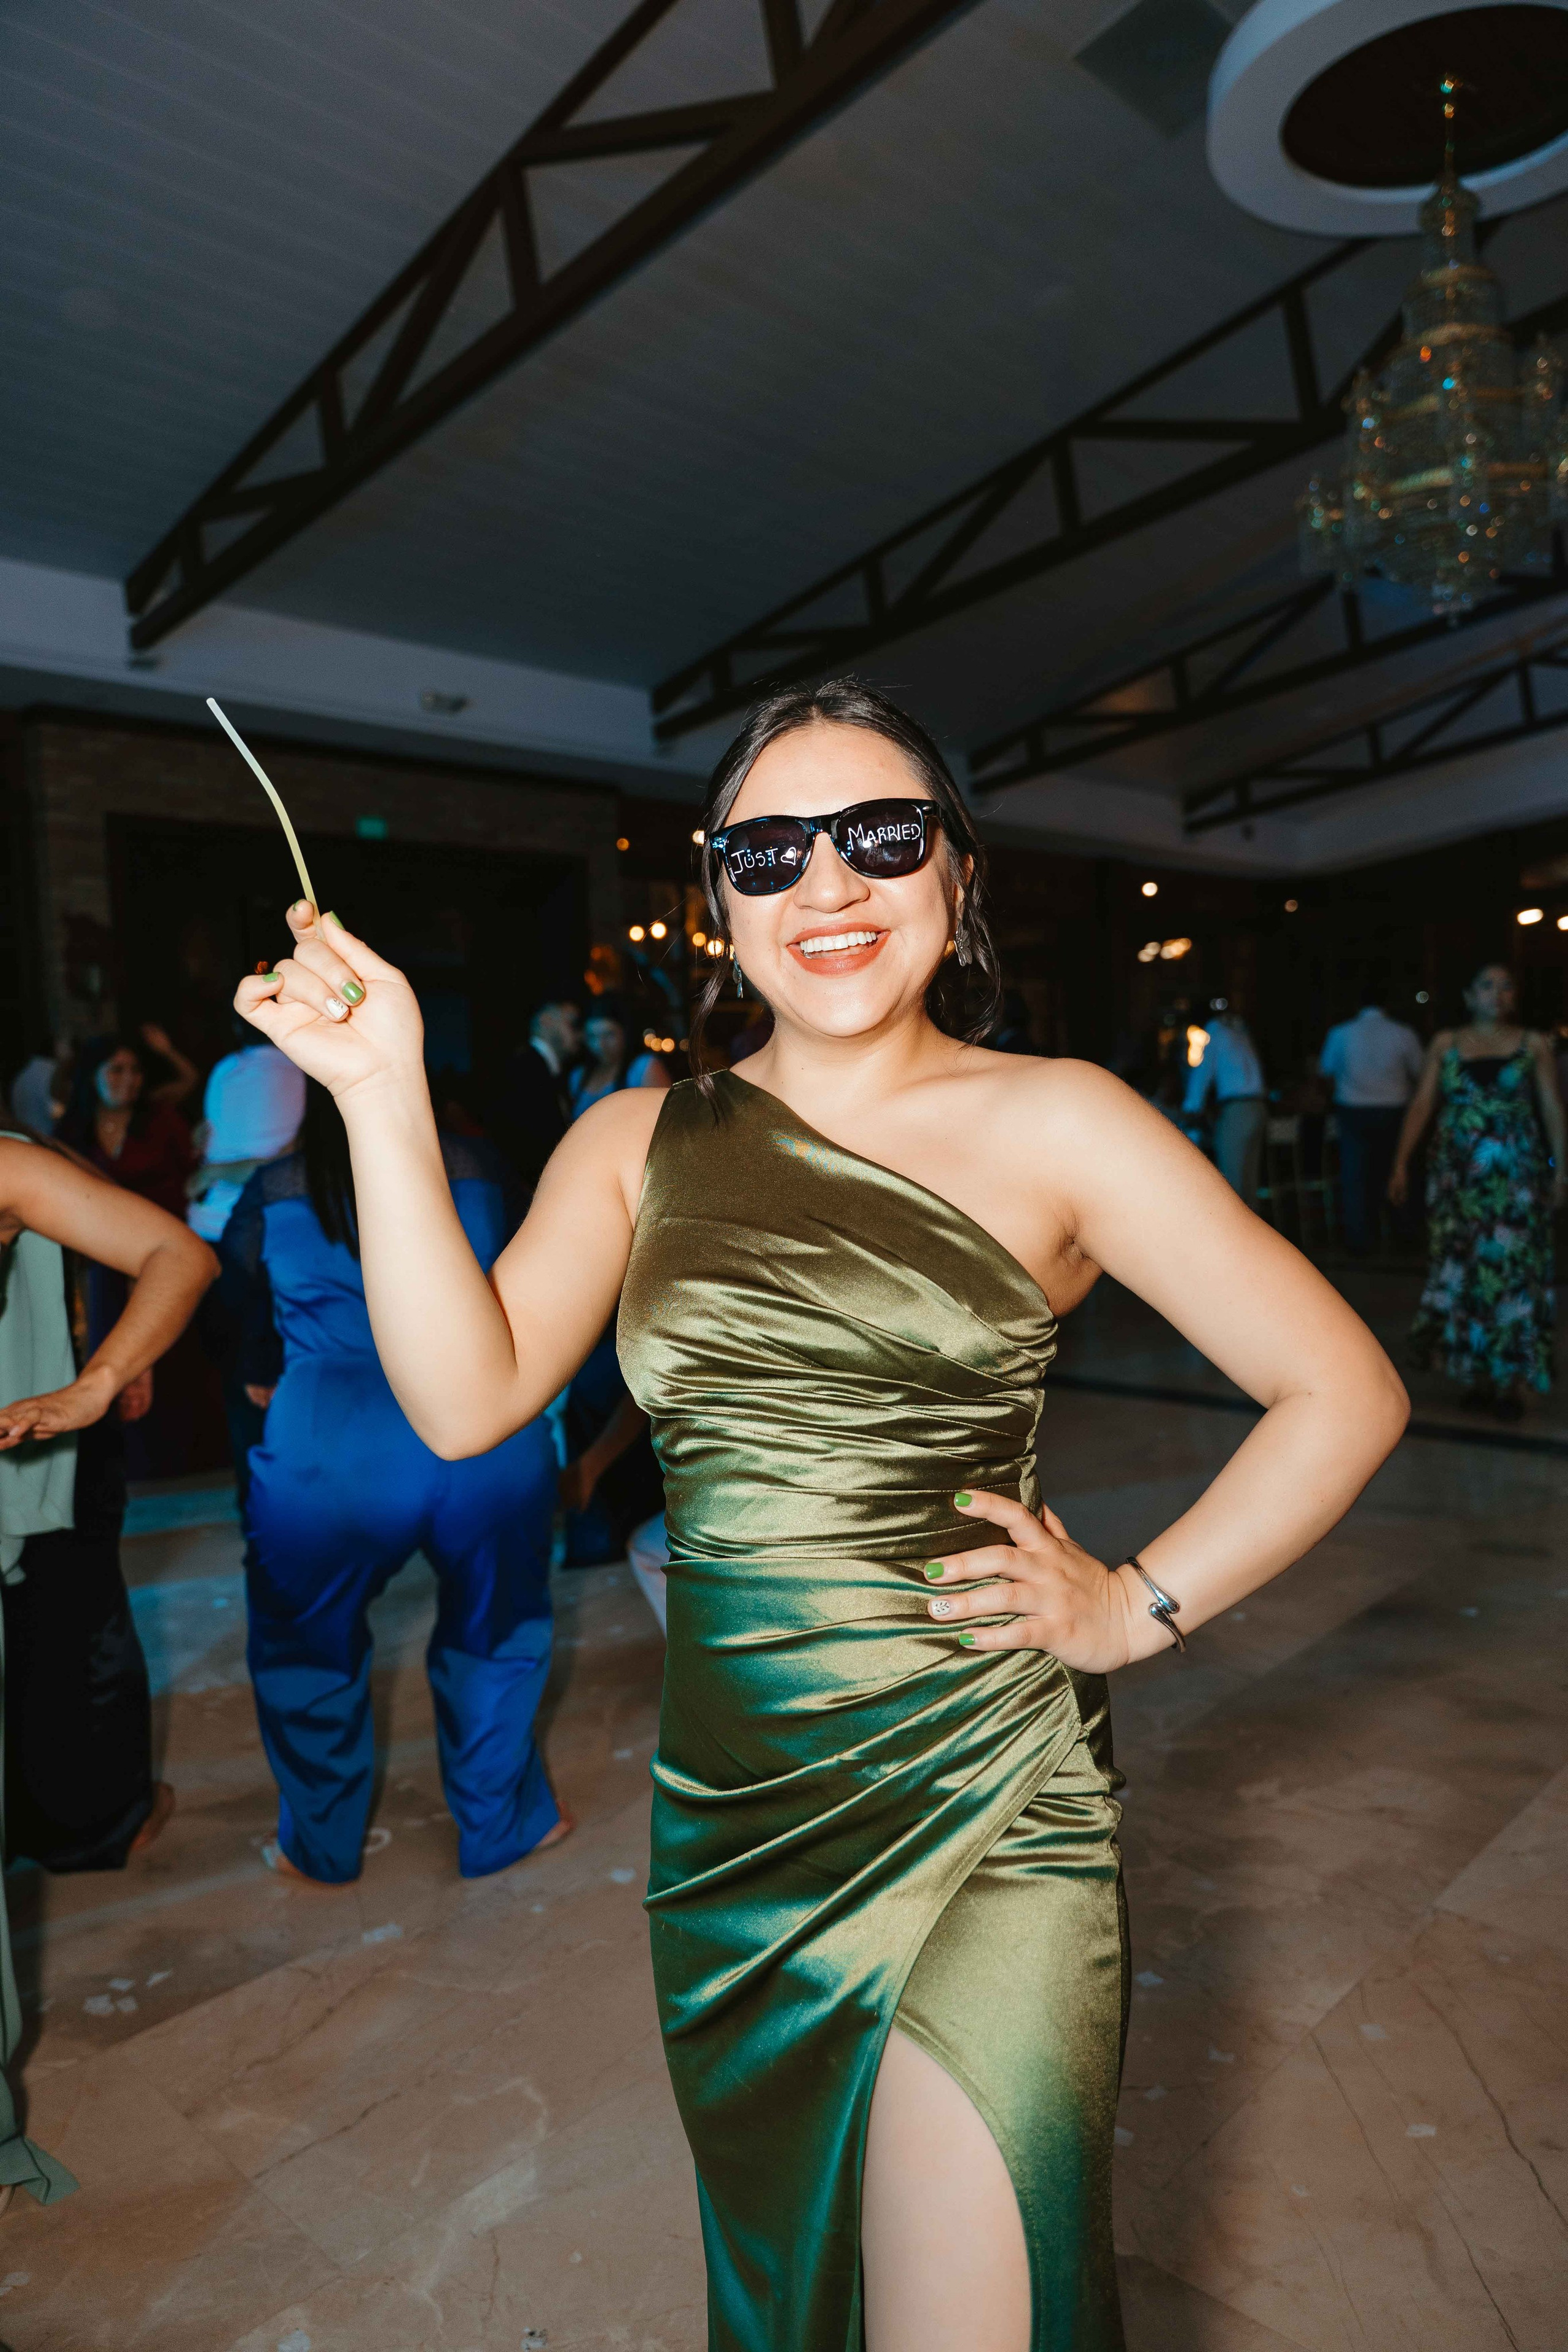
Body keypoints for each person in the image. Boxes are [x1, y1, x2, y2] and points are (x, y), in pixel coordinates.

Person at [236, 684, 1406, 2352]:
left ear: (956, 877)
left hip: (985, 1802)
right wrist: (380, 1093)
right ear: (716, 904)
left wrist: (1135, 1606)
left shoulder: (1062, 1117)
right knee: (793, 2293)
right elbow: (464, 1398)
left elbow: (1342, 1389)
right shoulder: (638, 1141)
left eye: (881, 837)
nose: (829, 887)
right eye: (770, 852)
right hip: (737, 1822)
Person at [219, 1079, 567, 1886]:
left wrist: (262, 1371)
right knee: (498, 1635)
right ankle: (500, 1825)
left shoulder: (273, 1189)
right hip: (479, 1427)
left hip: (330, 1445)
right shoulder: (476, 1164)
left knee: (305, 1650)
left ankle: (320, 1845)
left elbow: (235, 1306)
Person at [1390, 962, 1565, 1420]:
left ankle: (1509, 1382)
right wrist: (1401, 1163)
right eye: (1487, 986)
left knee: (1512, 1275)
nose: (1498, 994)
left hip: (1516, 1180)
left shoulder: (1535, 1044)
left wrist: (1561, 1171)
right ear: (1469, 995)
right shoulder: (1446, 1044)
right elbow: (1424, 1102)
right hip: (1457, 1179)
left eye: (1507, 986)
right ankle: (1477, 1375)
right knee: (1464, 1270)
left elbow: (1552, 1109)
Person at [1319, 992, 1424, 1254]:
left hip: (1353, 1111)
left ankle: (1359, 1241)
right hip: (1394, 1110)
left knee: (1356, 1177)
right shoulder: (1403, 1033)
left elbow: (1325, 1074)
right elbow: (1421, 1074)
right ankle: (1405, 1238)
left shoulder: (1340, 1033)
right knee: (1396, 1171)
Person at [1184, 1003, 1267, 1208]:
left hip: (1238, 1109)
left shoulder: (1215, 1031)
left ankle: (1238, 1237)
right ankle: (1253, 1237)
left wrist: (1190, 1113)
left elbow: (1202, 1076)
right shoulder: (1239, 1030)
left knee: (1233, 1188)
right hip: (1258, 1107)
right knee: (1249, 1184)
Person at [496, 998, 582, 1188]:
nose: (580, 1034)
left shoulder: (561, 1072)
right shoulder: (524, 1069)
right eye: (572, 1023)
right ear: (546, 1021)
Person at [569, 997, 671, 1118]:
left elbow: (666, 1119)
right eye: (592, 1037)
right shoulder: (578, 1076)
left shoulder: (644, 1067)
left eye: (609, 1035)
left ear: (625, 1032)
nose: (600, 1045)